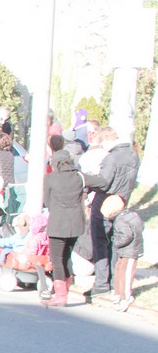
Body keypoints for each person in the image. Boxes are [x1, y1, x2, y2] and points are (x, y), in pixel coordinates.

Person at [42, 150, 105, 307]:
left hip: (57, 223)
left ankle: (61, 295)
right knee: (67, 256)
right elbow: (102, 182)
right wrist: (87, 191)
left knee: (56, 259)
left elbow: (47, 202)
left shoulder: (50, 178)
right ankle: (66, 289)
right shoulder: (79, 177)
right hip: (75, 223)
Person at [87, 126, 140, 299]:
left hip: (104, 202)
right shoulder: (133, 155)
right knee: (116, 243)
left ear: (106, 140)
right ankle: (113, 282)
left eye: (102, 144)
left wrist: (88, 180)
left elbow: (104, 182)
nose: (102, 148)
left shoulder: (111, 157)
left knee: (100, 241)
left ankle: (101, 283)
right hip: (121, 202)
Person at [104, 195, 144, 312]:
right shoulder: (128, 216)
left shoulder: (120, 220)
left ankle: (125, 297)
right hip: (126, 250)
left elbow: (126, 235)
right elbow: (141, 226)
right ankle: (118, 293)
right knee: (119, 269)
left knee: (126, 273)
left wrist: (115, 242)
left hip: (130, 251)